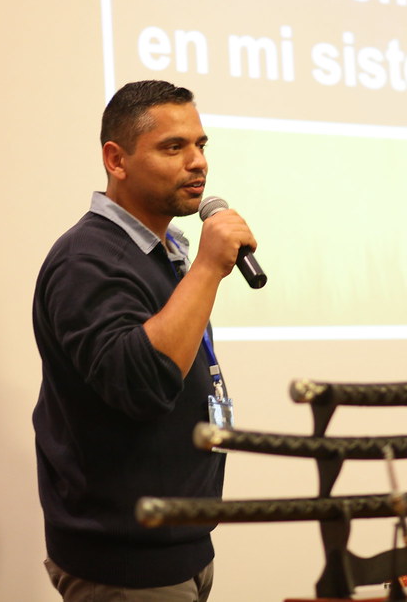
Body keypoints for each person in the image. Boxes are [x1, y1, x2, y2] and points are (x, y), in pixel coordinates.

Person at [31, 80, 257, 601]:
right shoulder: (86, 260)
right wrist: (207, 268)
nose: (197, 162)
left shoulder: (164, 251)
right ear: (117, 160)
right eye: (173, 147)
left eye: (200, 145)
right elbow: (142, 383)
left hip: (183, 545)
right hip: (124, 563)